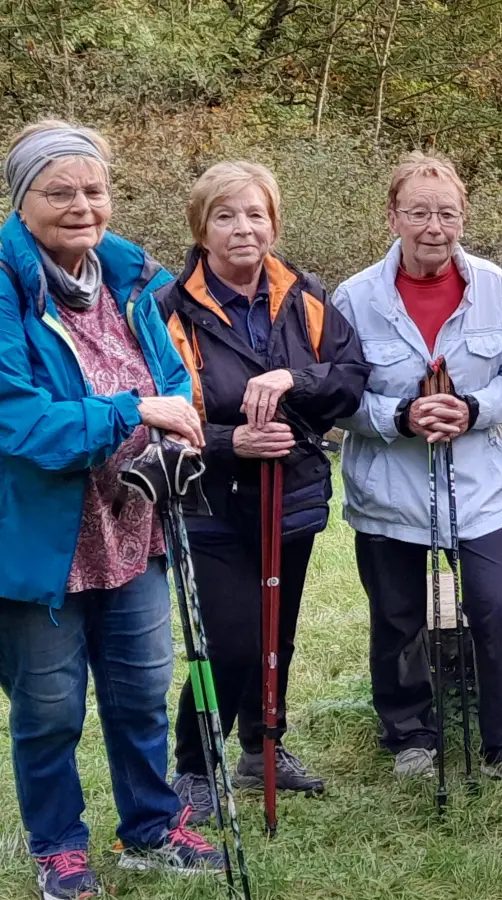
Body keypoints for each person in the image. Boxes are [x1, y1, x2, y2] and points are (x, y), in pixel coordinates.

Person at [0, 120, 226, 900]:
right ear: (21, 201)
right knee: (50, 707)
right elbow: (18, 420)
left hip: (133, 528)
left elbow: (172, 382)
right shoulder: (4, 286)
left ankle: (152, 828)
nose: (81, 205)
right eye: (58, 191)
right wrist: (137, 410)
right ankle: (58, 846)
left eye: (93, 189)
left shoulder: (130, 280)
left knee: (140, 692)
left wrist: (182, 424)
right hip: (41, 539)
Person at [157, 161, 369, 821]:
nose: (242, 228)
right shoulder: (169, 309)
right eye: (225, 215)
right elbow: (156, 410)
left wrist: (289, 381)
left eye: (254, 214)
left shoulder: (303, 295)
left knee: (277, 636)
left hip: (292, 495)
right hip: (209, 502)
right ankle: (193, 766)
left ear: (273, 222)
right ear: (202, 227)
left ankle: (262, 747)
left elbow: (351, 375)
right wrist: (228, 443)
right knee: (225, 642)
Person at [333, 152, 502, 780]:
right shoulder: (355, 297)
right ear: (392, 216)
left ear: (462, 217)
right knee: (396, 618)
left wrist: (474, 408)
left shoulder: (494, 287)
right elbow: (339, 396)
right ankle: (409, 735)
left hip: (479, 487)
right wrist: (400, 416)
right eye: (418, 212)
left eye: (446, 213)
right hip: (389, 490)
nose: (433, 226)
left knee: (497, 608)